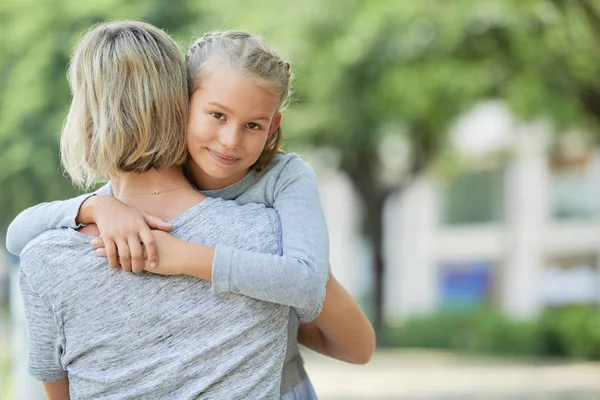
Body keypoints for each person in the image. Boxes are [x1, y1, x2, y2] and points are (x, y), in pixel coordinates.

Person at [8, 29, 376, 398]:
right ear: (181, 105)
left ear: (271, 127)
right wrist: (94, 206)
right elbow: (18, 234)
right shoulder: (114, 207)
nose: (230, 141)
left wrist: (185, 257)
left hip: (283, 382)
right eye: (217, 115)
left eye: (253, 125)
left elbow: (315, 292)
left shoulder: (280, 190)